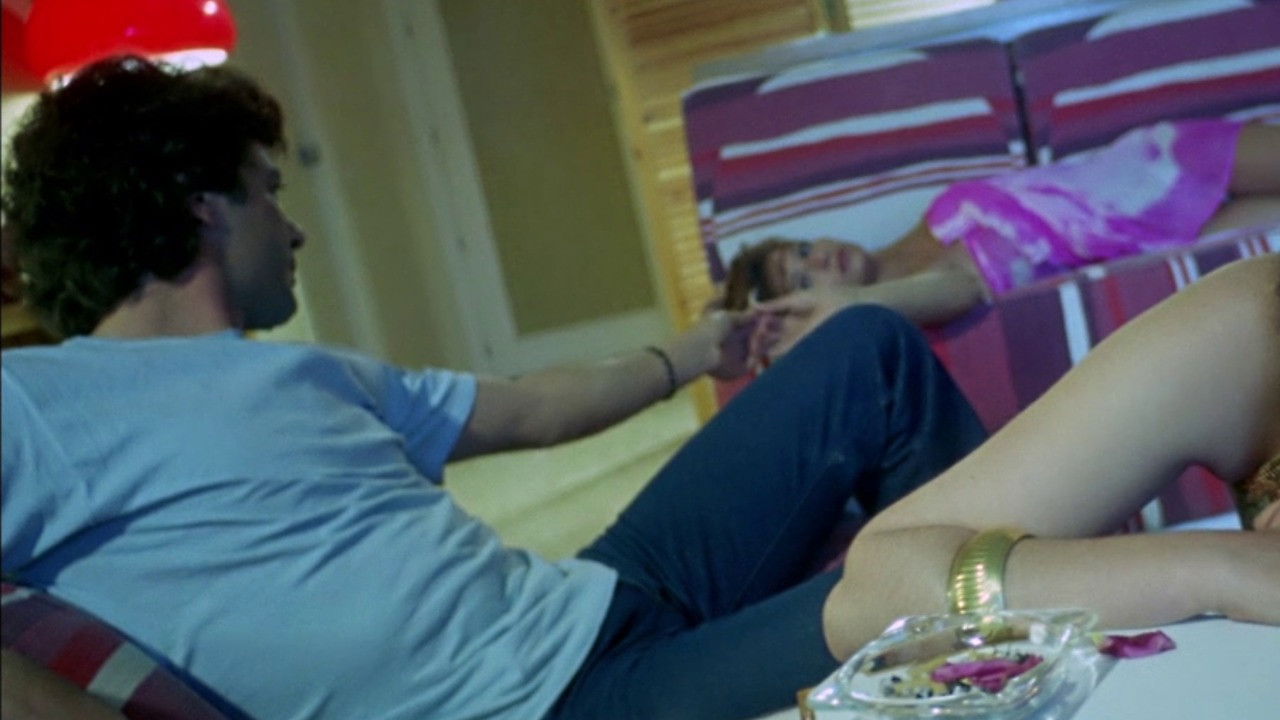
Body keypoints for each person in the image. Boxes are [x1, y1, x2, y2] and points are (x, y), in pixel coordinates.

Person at [1, 56, 1276, 720]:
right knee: (879, 596)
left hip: (593, 595)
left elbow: (535, 409)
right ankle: (1073, 643)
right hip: (559, 707)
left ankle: (1050, 623)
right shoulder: (45, 406)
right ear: (201, 201)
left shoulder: (296, 369)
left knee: (862, 355)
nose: (291, 226)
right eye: (268, 190)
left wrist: (704, 349)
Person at [723, 119, 1280, 349]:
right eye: (803, 280)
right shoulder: (925, 295)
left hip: (1160, 162)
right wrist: (847, 308)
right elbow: (961, 286)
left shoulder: (931, 218)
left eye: (802, 250)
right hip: (1158, 248)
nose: (818, 261)